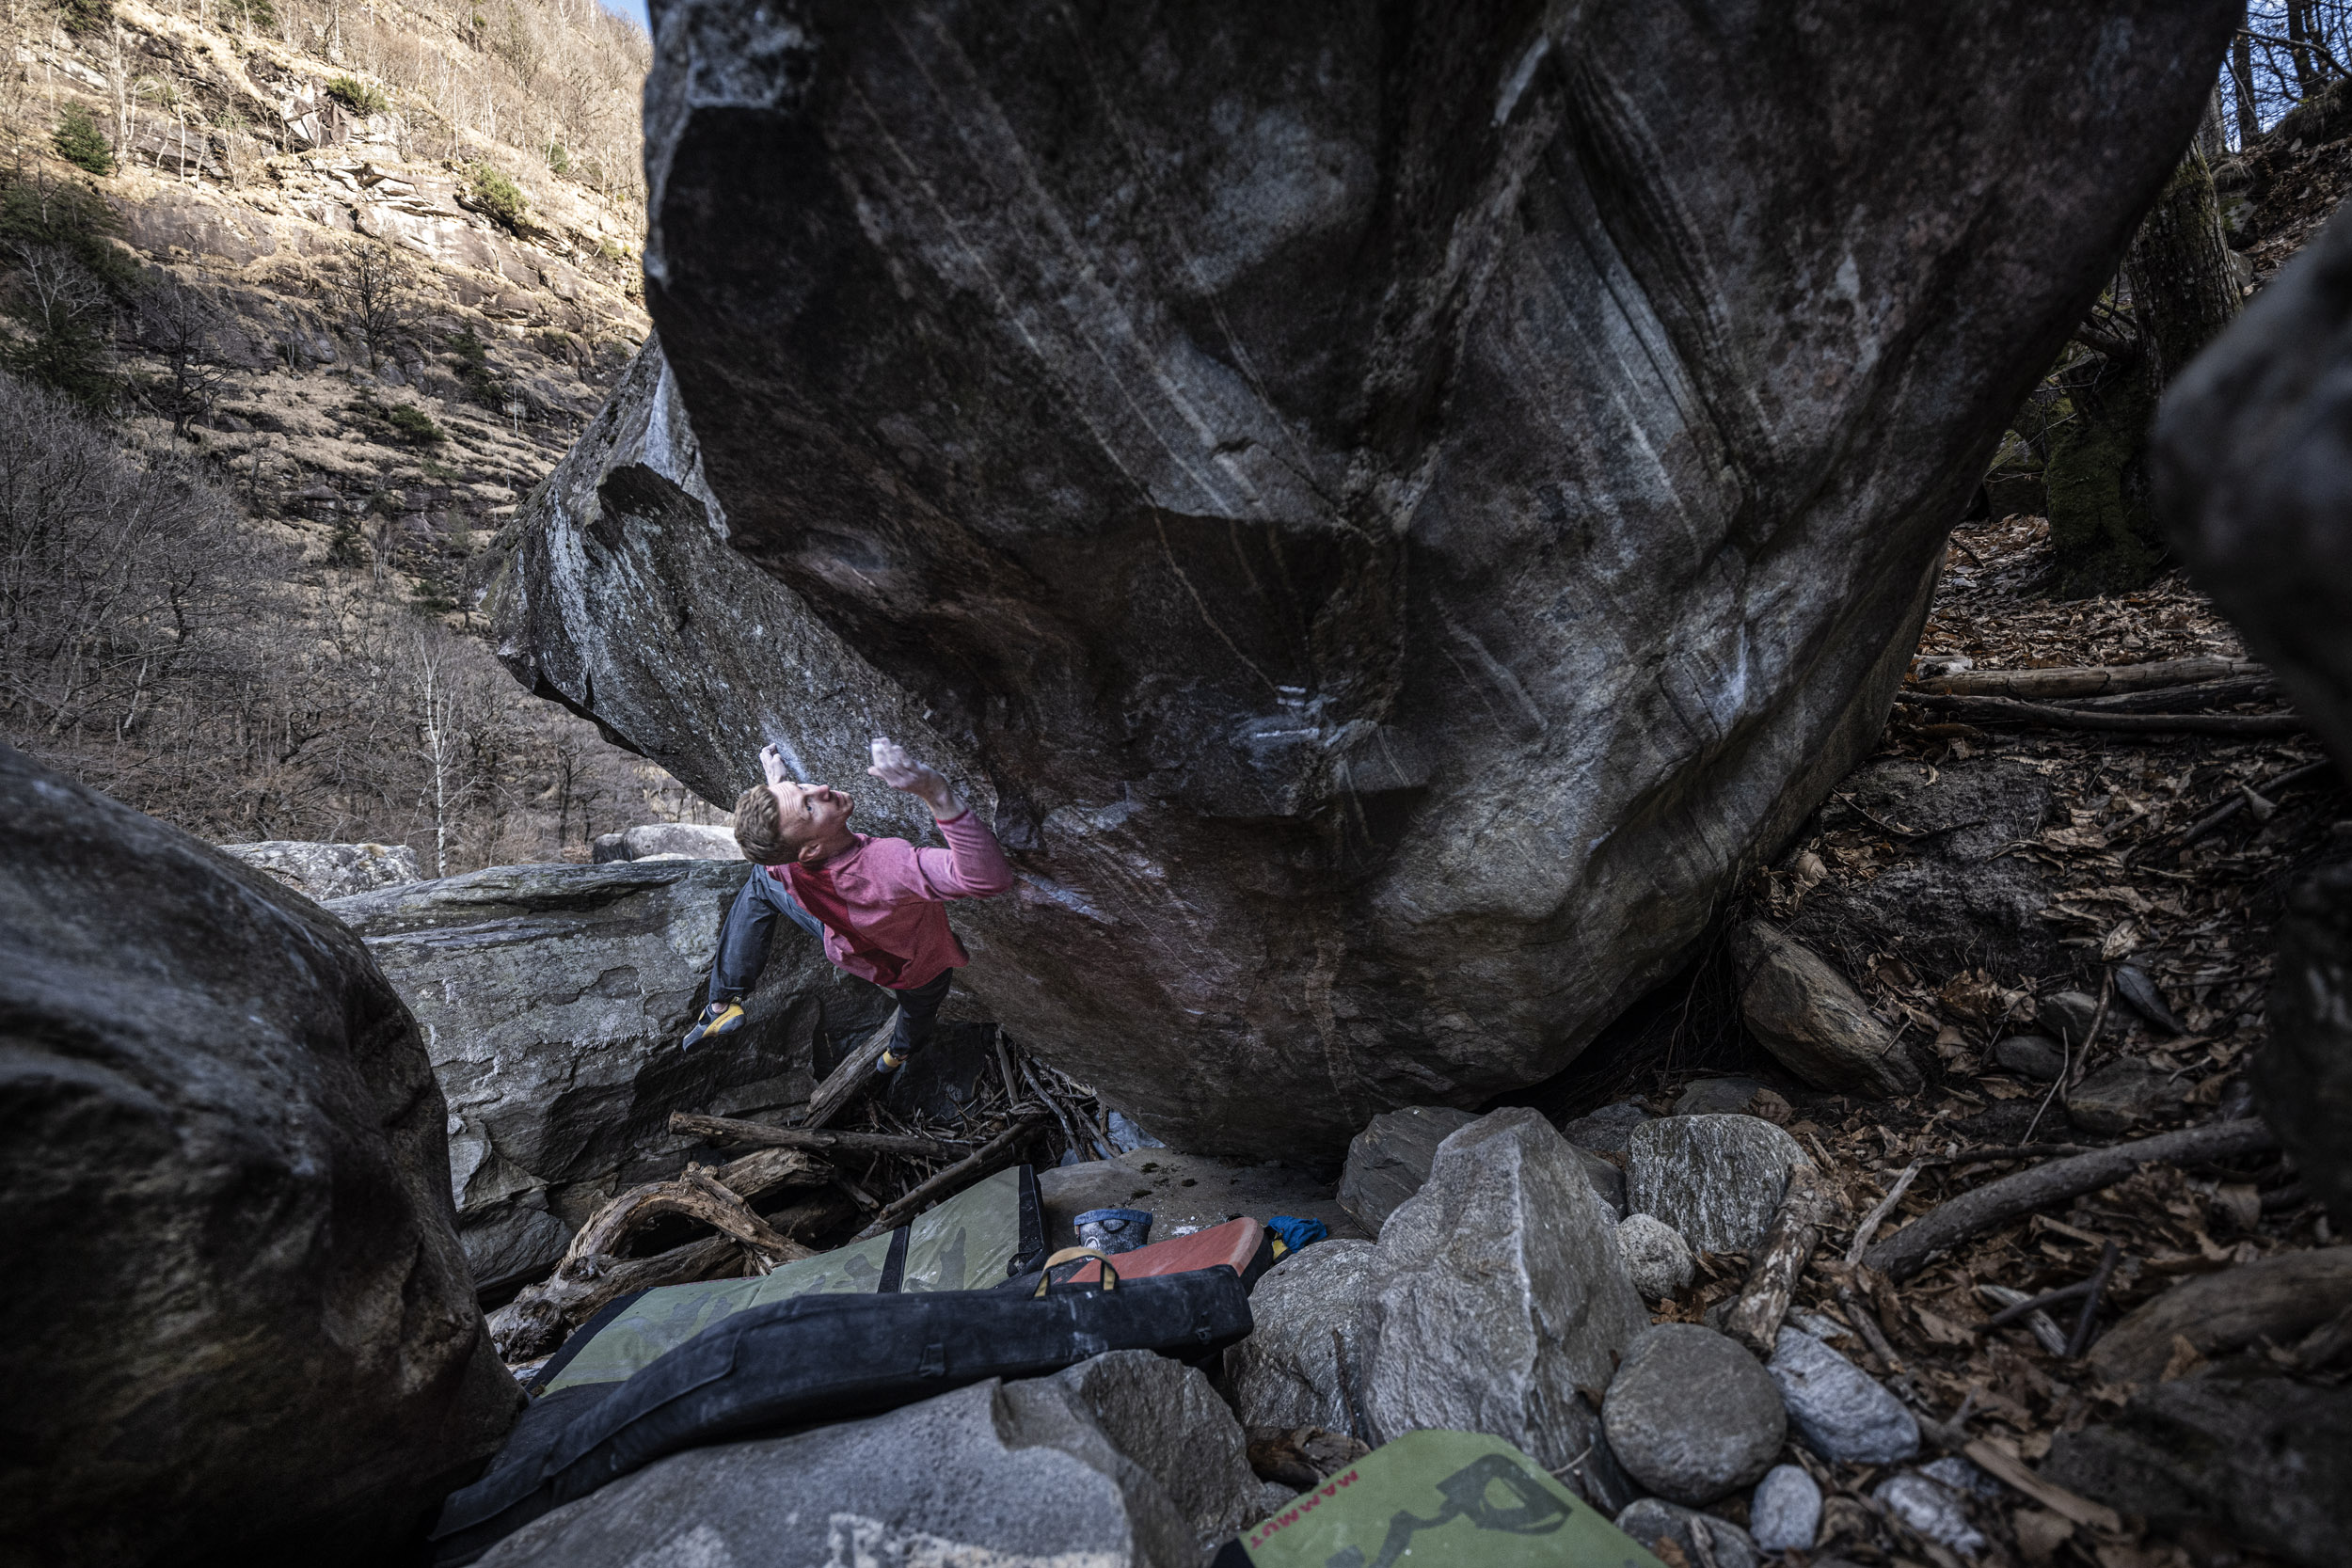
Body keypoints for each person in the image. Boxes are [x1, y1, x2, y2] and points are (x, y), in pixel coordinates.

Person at [682, 736, 1014, 1073]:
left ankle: (722, 1002)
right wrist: (936, 792)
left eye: (804, 788)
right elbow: (988, 879)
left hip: (842, 940)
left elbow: (787, 837)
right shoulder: (883, 868)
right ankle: (898, 1052)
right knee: (918, 1008)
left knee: (761, 881)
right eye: (809, 806)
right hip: (914, 966)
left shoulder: (784, 858)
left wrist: (779, 788)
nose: (823, 788)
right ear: (809, 850)